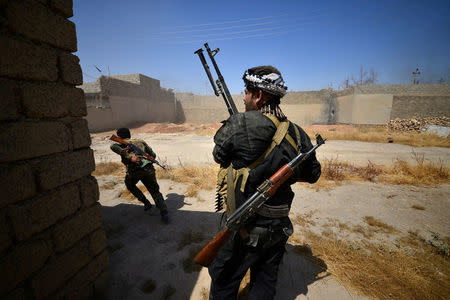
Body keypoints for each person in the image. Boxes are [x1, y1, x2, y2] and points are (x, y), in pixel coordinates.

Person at [209, 66, 321, 299]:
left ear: (258, 95)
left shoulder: (240, 124)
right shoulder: (298, 133)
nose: (243, 96)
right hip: (277, 227)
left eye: (247, 91)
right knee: (265, 283)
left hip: (242, 228)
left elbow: (219, 155)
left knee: (224, 282)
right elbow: (313, 174)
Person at [110, 127, 169, 224]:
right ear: (129, 134)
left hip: (134, 171)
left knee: (129, 185)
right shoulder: (140, 141)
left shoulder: (120, 144)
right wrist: (131, 156)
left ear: (119, 136)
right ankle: (164, 212)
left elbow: (112, 147)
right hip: (148, 169)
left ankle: (146, 203)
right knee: (154, 191)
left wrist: (128, 156)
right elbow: (153, 155)